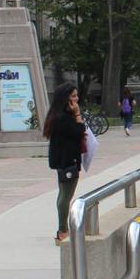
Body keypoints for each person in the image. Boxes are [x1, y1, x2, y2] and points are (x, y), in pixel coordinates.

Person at [44, 83, 87, 246]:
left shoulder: (56, 115)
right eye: (74, 96)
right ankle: (62, 231)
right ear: (66, 99)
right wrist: (77, 114)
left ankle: (62, 229)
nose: (77, 99)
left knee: (63, 194)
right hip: (68, 161)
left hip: (63, 161)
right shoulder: (64, 118)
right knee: (66, 196)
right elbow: (78, 131)